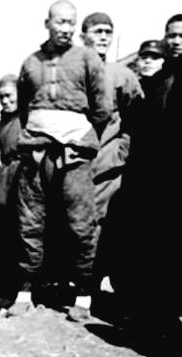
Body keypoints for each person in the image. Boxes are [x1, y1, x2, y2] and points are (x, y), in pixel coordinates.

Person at [8, 0, 112, 322]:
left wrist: (79, 139)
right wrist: (39, 136)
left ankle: (83, 297)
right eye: (60, 22)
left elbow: (102, 108)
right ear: (47, 23)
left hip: (74, 152)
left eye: (71, 22)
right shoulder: (30, 63)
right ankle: (25, 292)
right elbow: (24, 108)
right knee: (30, 221)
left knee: (81, 224)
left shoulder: (87, 59)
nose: (66, 28)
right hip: (37, 152)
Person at [110, 14, 182, 342]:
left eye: (181, 35)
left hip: (174, 177)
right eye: (172, 35)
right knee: (149, 246)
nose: (176, 41)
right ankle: (149, 317)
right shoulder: (155, 82)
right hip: (150, 177)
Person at [80, 12, 143, 291]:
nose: (104, 37)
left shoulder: (122, 75)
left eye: (108, 31)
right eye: (97, 31)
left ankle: (89, 287)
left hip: (106, 164)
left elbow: (138, 117)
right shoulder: (72, 71)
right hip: (74, 162)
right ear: (83, 36)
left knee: (99, 226)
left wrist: (121, 150)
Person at [0, 74, 22, 284]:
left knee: (23, 223)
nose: (5, 101)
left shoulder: (28, 116)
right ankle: (2, 278)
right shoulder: (0, 121)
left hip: (23, 172)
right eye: (1, 97)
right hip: (5, 174)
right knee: (2, 222)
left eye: (9, 96)